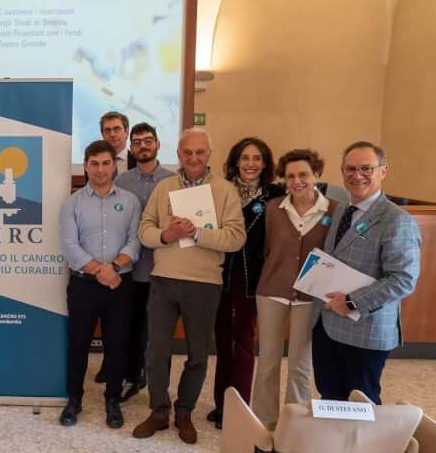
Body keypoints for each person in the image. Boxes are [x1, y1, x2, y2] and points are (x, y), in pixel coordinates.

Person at [134, 128, 246, 444]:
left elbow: (236, 238)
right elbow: (144, 230)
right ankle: (159, 412)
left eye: (199, 152)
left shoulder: (225, 190)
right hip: (164, 280)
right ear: (179, 155)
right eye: (187, 152)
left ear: (209, 154)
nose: (193, 158)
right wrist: (166, 235)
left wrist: (197, 233)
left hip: (204, 284)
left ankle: (184, 412)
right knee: (155, 352)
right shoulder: (164, 187)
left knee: (197, 354)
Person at [311, 142, 421, 404]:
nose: (357, 175)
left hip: (365, 332)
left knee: (362, 406)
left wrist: (351, 302)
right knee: (331, 400)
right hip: (327, 325)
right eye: (350, 169)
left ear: (383, 171)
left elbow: (403, 280)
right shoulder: (341, 209)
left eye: (366, 168)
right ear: (342, 171)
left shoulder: (397, 220)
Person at [251, 148, 336, 430]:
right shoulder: (273, 208)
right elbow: (265, 249)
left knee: (300, 364)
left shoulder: (334, 210)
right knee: (268, 360)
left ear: (316, 175)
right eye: (290, 176)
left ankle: (294, 424)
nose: (297, 181)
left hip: (311, 296)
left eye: (303, 175)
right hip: (271, 290)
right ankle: (264, 421)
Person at [59, 140, 140, 429]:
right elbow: (70, 246)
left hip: (120, 284)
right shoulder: (72, 203)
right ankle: (74, 399)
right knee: (78, 344)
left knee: (117, 344)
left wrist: (113, 268)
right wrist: (100, 271)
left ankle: (112, 400)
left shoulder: (130, 201)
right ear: (86, 166)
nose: (100, 169)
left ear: (114, 165)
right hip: (83, 285)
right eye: (94, 163)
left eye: (106, 163)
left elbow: (135, 241)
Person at [206, 137, 284, 429]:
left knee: (244, 342)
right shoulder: (220, 190)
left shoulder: (276, 195)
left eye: (257, 158)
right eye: (245, 158)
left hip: (254, 278)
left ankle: (239, 408)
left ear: (265, 164)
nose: (250, 164)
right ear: (236, 161)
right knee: (222, 340)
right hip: (219, 273)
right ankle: (221, 404)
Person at [113, 123, 174, 403]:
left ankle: (159, 387)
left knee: (160, 333)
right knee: (132, 327)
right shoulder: (121, 181)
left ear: (158, 144)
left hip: (165, 267)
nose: (143, 146)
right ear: (131, 148)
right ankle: (132, 377)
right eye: (137, 142)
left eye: (148, 141)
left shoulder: (174, 180)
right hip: (132, 269)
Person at [93, 111, 136, 385]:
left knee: (129, 320)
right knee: (107, 318)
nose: (112, 134)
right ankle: (108, 365)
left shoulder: (138, 161)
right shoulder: (95, 162)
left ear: (126, 131)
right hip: (102, 258)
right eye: (107, 130)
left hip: (132, 255)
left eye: (117, 129)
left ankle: (131, 368)